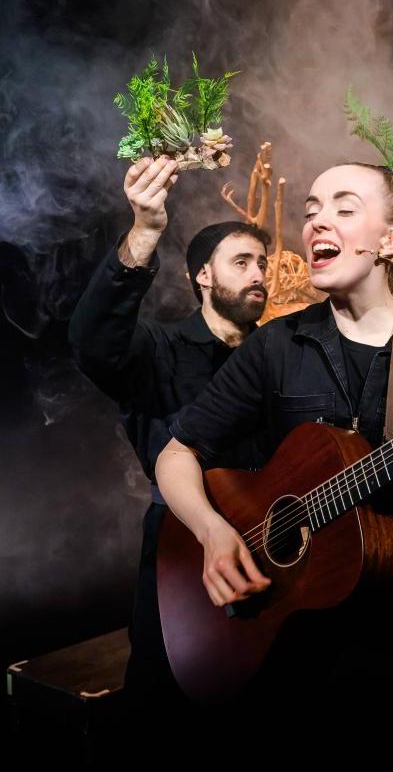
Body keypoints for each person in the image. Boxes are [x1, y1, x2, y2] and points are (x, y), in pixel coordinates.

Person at [154, 161, 393, 729]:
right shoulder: (277, 344)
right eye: (312, 211)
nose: (318, 222)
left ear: (392, 240)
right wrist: (213, 532)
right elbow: (176, 455)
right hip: (298, 648)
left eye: (344, 209)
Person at [68, 155, 272, 732]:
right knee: (171, 705)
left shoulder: (277, 353)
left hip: (274, 547)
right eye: (241, 262)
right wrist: (144, 233)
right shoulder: (159, 349)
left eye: (261, 262)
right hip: (181, 554)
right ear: (203, 275)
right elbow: (93, 344)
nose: (259, 273)